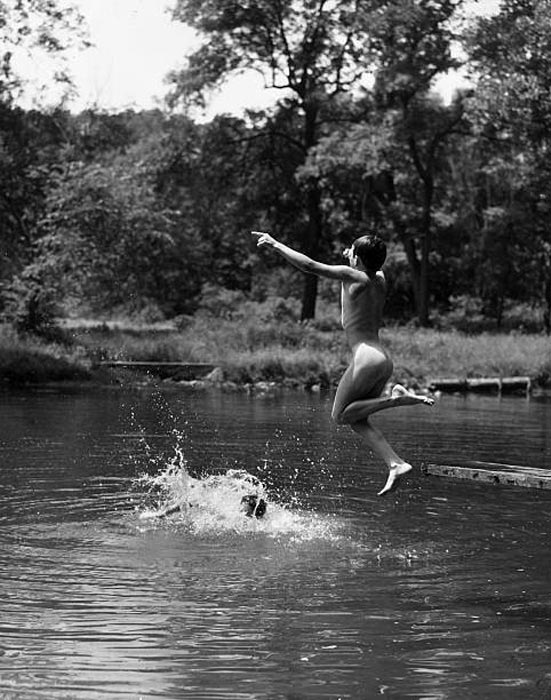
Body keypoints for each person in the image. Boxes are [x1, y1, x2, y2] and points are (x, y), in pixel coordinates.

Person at [251, 230, 434, 495]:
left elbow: (309, 266)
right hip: (383, 358)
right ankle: (395, 463)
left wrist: (276, 244)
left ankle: (397, 399)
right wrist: (356, 257)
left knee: (338, 416)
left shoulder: (352, 276)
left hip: (365, 358)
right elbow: (366, 272)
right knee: (356, 418)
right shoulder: (379, 279)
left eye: (351, 251)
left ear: (357, 259)